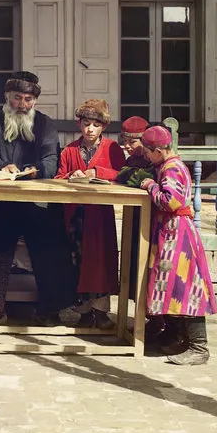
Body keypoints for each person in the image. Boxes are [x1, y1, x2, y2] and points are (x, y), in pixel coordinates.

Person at [0, 71, 78, 326]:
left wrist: (35, 170)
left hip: (35, 199)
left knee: (50, 238)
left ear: (35, 101)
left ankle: (50, 309)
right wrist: (3, 166)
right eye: (17, 98)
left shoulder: (45, 124)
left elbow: (52, 159)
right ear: (7, 98)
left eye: (28, 99)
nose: (22, 105)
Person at [139, 125, 217, 365]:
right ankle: (176, 338)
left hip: (178, 234)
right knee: (171, 288)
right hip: (169, 232)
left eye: (147, 152)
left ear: (159, 150)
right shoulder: (166, 165)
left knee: (186, 289)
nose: (146, 156)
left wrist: (149, 185)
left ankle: (198, 347)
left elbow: (170, 201)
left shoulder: (172, 168)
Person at [55, 99, 125, 328]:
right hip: (76, 216)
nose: (90, 130)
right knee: (78, 261)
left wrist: (98, 171)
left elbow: (122, 173)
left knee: (101, 262)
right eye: (86, 124)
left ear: (103, 127)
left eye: (95, 125)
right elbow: (58, 177)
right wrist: (71, 177)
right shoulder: (70, 150)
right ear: (79, 125)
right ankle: (84, 312)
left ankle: (102, 312)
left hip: (100, 217)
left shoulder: (112, 149)